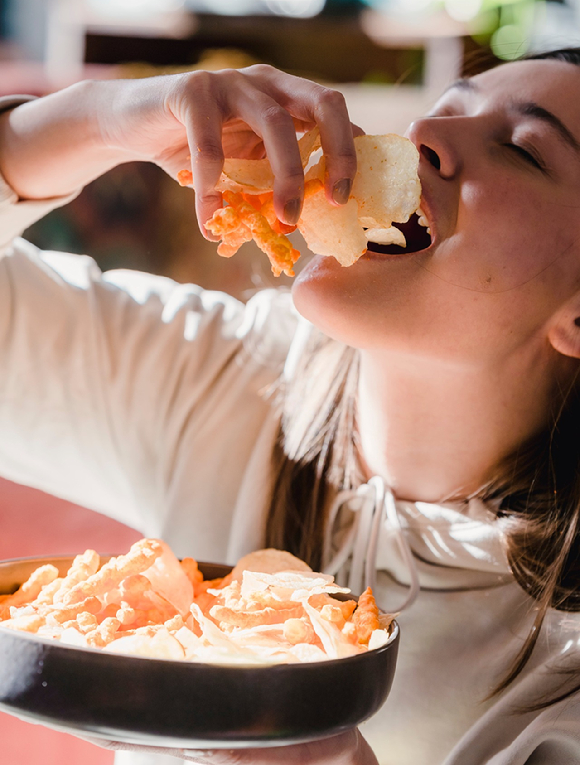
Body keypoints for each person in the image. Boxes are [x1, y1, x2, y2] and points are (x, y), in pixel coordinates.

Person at [0, 50, 580, 765]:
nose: (423, 129)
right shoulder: (226, 376)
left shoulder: (564, 679)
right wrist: (100, 120)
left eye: (522, 149)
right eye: (450, 106)